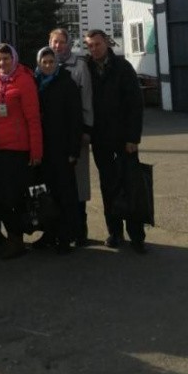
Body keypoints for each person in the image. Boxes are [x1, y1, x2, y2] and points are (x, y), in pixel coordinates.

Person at [83, 29, 147, 254]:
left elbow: (135, 104)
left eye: (97, 44)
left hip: (123, 139)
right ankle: (115, 232)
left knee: (131, 185)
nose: (94, 49)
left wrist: (133, 137)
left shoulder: (122, 67)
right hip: (101, 139)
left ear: (106, 43)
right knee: (108, 185)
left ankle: (137, 235)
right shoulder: (87, 68)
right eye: (90, 45)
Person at [0, 43, 42, 259]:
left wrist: (36, 151)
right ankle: (11, 238)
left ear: (13, 59)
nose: (2, 63)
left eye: (6, 58)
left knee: (12, 198)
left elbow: (33, 118)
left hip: (17, 149)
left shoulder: (24, 80)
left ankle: (16, 240)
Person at [33, 47, 82, 253]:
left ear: (57, 63)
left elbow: (75, 119)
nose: (48, 65)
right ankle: (48, 234)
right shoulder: (35, 83)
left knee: (64, 194)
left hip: (62, 149)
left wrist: (74, 150)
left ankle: (65, 237)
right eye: (44, 62)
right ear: (38, 63)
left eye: (51, 62)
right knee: (44, 193)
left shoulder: (66, 83)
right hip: (42, 149)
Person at [49, 27, 93, 245]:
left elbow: (86, 99)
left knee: (78, 183)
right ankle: (59, 229)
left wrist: (86, 129)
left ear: (68, 43)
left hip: (75, 133)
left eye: (62, 42)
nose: (58, 46)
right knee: (57, 184)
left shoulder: (79, 65)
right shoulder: (46, 64)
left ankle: (80, 229)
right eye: (54, 42)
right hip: (54, 137)